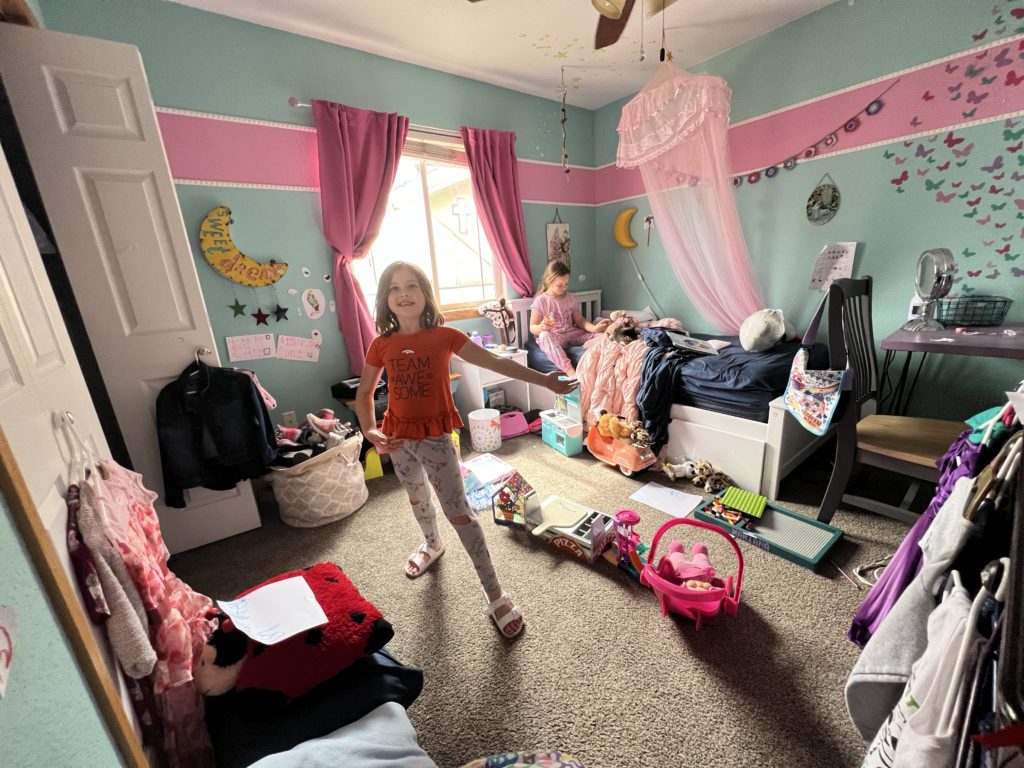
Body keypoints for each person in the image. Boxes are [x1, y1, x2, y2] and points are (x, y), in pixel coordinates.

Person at [354, 261, 579, 639]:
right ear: (384, 299)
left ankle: (494, 592)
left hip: (435, 437)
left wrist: (545, 380)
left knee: (459, 512)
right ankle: (431, 543)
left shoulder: (445, 336)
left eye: (412, 286)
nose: (404, 293)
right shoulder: (382, 345)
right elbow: (363, 393)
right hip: (396, 437)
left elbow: (494, 359)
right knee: (415, 498)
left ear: (425, 293)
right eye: (394, 288)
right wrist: (369, 431)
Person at [529, 260, 609, 377]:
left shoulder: (570, 298)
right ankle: (570, 371)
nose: (564, 288)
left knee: (605, 336)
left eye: (566, 284)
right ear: (549, 281)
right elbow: (532, 327)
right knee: (544, 336)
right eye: (560, 285)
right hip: (556, 336)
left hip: (571, 333)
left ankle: (588, 345)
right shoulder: (541, 301)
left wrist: (594, 328)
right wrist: (541, 327)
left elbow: (579, 320)